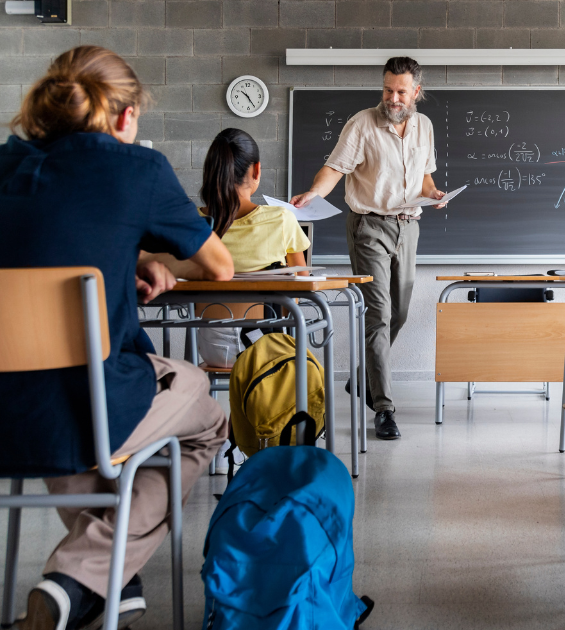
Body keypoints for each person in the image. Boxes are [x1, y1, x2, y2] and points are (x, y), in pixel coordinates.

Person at [0, 46, 234, 630]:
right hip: (89, 404)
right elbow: (220, 267)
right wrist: (159, 258)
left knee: (71, 421)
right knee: (204, 415)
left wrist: (124, 255)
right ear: (126, 117)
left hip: (8, 411)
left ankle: (117, 589)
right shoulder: (137, 170)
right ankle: (78, 578)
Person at [290, 56, 445, 442]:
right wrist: (313, 192)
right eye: (388, 90)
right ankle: (384, 408)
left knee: (401, 312)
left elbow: (425, 176)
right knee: (378, 313)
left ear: (416, 93)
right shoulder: (362, 123)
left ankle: (362, 377)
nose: (393, 98)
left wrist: (434, 193)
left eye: (401, 92)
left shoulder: (424, 125)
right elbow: (335, 168)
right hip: (368, 226)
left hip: (409, 225)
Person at [195, 128, 311, 369]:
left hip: (214, 349)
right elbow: (301, 286)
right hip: (266, 348)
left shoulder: (193, 223)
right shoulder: (281, 219)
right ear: (256, 170)